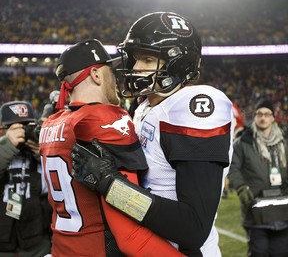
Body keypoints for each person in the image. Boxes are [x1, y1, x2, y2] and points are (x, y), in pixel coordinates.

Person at [71, 12, 236, 256]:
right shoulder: (146, 107)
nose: (136, 68)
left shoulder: (194, 105)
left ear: (177, 63)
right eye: (136, 59)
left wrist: (110, 184)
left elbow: (193, 227)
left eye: (147, 59)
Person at [39, 38, 184, 256]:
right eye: (110, 71)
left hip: (62, 248)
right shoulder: (104, 118)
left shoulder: (52, 123)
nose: (116, 79)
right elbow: (130, 234)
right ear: (96, 75)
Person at [228, 98, 288, 257]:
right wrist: (241, 188)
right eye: (259, 114)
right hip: (256, 209)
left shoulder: (284, 142)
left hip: (283, 210)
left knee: (281, 253)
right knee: (259, 253)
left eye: (267, 114)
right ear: (254, 116)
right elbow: (233, 168)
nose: (263, 118)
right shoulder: (243, 143)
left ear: (273, 118)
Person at [0, 101, 51, 257]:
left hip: (37, 244)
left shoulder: (41, 151)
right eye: (15, 127)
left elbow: (57, 186)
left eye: (26, 126)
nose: (22, 132)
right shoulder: (3, 147)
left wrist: (44, 153)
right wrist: (8, 145)